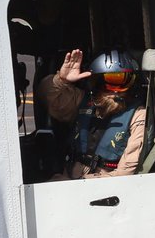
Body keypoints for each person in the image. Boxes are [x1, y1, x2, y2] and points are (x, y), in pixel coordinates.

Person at [36, 48, 146, 180]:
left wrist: (85, 183)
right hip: (69, 178)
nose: (117, 90)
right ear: (98, 82)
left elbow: (125, 172)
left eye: (125, 80)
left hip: (108, 183)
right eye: (112, 80)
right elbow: (45, 95)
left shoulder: (138, 114)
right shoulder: (82, 101)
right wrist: (62, 80)